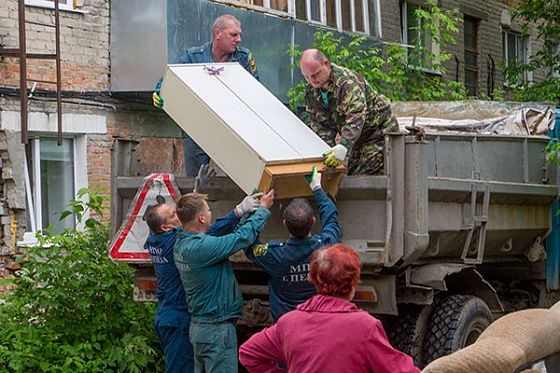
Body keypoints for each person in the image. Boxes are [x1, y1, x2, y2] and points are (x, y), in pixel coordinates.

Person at [239, 243, 420, 373]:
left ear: (314, 281)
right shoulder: (365, 326)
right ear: (352, 284)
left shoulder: (289, 322)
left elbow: (248, 353)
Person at [142, 165, 242, 373]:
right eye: (173, 215)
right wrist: (237, 213)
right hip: (178, 318)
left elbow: (190, 226)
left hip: (168, 314)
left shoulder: (155, 239)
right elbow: (207, 231)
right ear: (166, 228)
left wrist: (196, 196)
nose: (178, 214)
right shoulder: (174, 243)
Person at [174, 189, 275, 373]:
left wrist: (239, 212)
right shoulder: (202, 248)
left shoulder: (182, 243)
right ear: (202, 218)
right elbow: (241, 238)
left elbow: (217, 233)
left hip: (201, 329)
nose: (211, 213)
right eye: (209, 210)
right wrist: (263, 211)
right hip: (217, 331)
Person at [153, 14, 259, 176]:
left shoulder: (244, 59)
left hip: (233, 127)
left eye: (239, 35)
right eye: (233, 34)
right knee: (195, 180)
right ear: (217, 33)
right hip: (198, 127)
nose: (238, 39)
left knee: (242, 178)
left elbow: (256, 91)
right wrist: (160, 92)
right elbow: (169, 79)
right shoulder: (194, 57)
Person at [244, 166, 340, 321]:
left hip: (286, 326)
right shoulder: (325, 248)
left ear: (284, 223)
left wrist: (258, 210)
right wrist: (317, 188)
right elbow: (331, 218)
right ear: (313, 221)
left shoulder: (274, 254)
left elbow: (247, 242)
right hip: (317, 322)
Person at [299, 48, 399, 175]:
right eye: (306, 77)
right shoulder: (312, 93)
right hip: (358, 140)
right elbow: (321, 127)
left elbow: (356, 115)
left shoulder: (347, 83)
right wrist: (326, 154)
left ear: (326, 64)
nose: (312, 80)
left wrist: (344, 145)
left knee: (364, 178)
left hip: (379, 133)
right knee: (347, 175)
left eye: (315, 74)